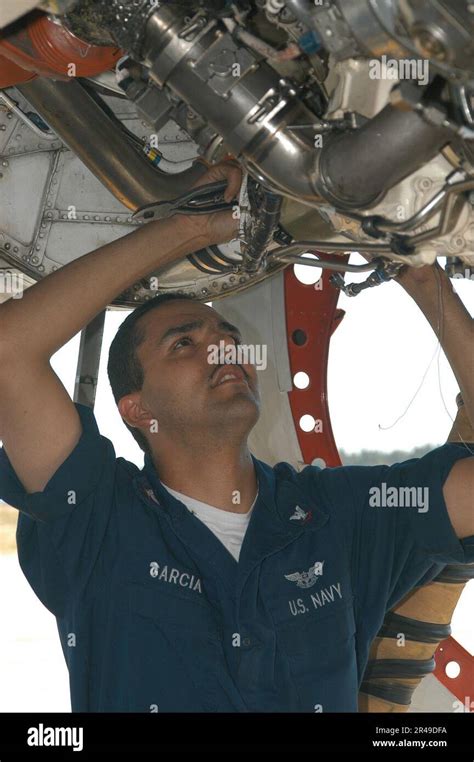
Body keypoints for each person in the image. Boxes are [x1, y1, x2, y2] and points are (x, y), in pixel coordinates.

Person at [0, 162, 473, 713]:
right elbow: (10, 349)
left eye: (228, 337)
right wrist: (193, 228)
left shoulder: (344, 519)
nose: (223, 349)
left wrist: (421, 275)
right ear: (136, 409)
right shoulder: (97, 518)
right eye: (184, 343)